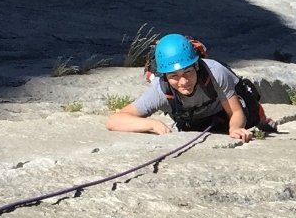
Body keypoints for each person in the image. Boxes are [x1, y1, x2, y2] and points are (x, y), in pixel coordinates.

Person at [106, 33, 261, 143]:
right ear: (165, 75)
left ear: (196, 66)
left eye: (188, 72)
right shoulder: (161, 89)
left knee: (252, 116)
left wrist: (234, 128)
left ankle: (264, 119)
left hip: (226, 114)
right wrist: (152, 124)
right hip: (198, 122)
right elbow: (114, 121)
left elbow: (235, 112)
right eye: (174, 76)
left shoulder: (215, 72)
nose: (183, 81)